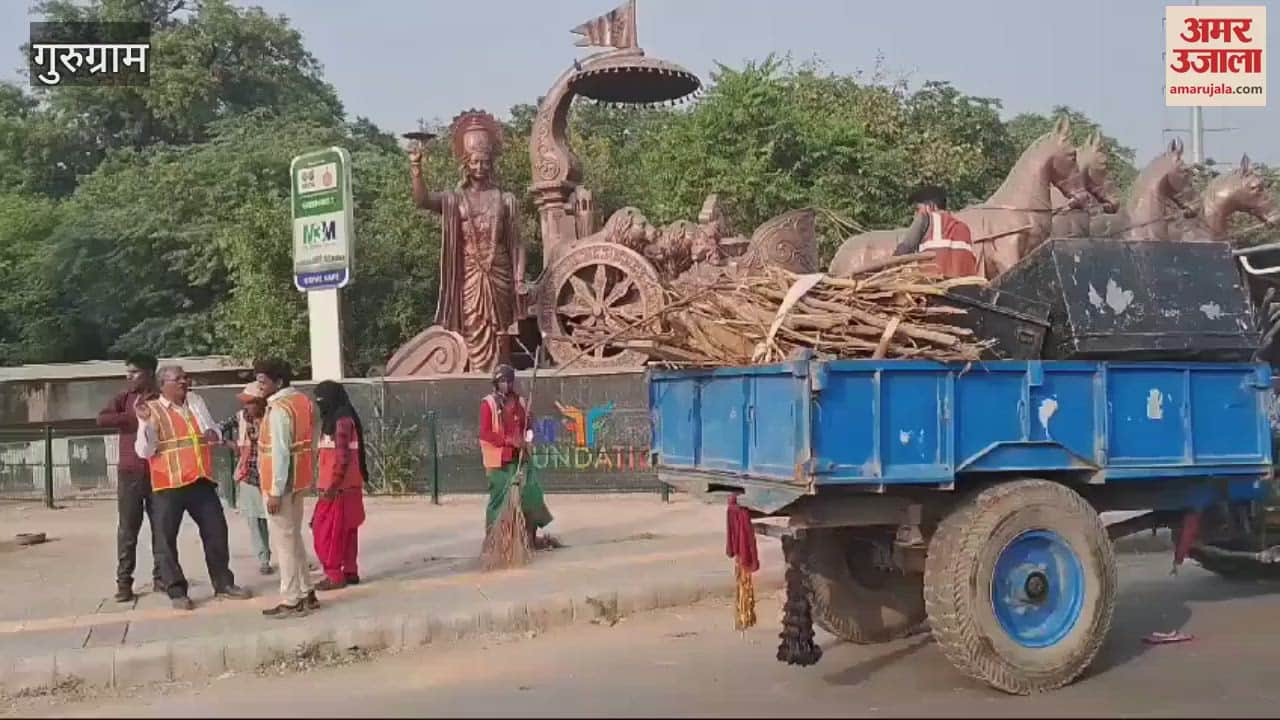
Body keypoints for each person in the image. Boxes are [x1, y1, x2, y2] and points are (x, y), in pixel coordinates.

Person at [409, 110, 528, 373]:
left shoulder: (505, 199)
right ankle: (476, 375)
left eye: (485, 162)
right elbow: (423, 200)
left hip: (499, 272)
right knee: (474, 325)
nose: (480, 167)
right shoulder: (454, 199)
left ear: (491, 163)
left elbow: (518, 245)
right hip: (471, 275)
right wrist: (416, 168)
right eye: (475, 162)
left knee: (501, 329)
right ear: (466, 163)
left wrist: (519, 279)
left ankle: (502, 376)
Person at [134, 365, 253, 610]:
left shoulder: (196, 402)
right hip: (169, 483)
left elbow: (211, 431)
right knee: (165, 539)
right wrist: (146, 424)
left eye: (185, 377)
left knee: (216, 530)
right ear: (163, 385)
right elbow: (144, 451)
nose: (184, 382)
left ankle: (223, 583)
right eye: (178, 379)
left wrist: (215, 433)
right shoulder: (152, 410)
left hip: (200, 479)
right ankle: (176, 590)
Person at [255, 358, 319, 618]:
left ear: (278, 383)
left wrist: (275, 491)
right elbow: (311, 443)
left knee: (284, 543)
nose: (259, 387)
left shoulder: (280, 409)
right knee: (293, 538)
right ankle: (307, 591)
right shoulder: (303, 402)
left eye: (263, 381)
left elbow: (280, 453)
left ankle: (292, 599)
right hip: (300, 479)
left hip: (281, 484)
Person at [97, 353, 163, 603]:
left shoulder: (162, 400)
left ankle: (162, 577)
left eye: (134, 372)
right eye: (127, 372)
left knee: (163, 528)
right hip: (130, 474)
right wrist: (135, 418)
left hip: (159, 472)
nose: (129, 377)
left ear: (148, 373)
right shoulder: (124, 399)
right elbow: (101, 418)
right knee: (127, 530)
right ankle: (124, 582)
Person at [479, 364, 553, 547]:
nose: (506, 384)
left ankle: (530, 537)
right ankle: (494, 540)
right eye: (502, 381)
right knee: (499, 501)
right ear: (496, 383)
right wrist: (508, 440)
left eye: (509, 381)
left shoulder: (520, 402)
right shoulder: (488, 404)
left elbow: (529, 425)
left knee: (531, 495)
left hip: (521, 459)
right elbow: (485, 433)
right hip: (499, 462)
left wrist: (528, 436)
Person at [311, 381, 367, 591]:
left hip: (337, 489)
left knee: (327, 533)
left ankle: (334, 575)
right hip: (351, 485)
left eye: (321, 400)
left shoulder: (339, 422)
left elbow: (342, 458)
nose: (319, 404)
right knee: (348, 531)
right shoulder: (346, 417)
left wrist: (332, 486)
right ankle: (350, 571)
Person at [219, 382, 274, 576]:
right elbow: (218, 429)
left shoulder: (273, 416)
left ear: (261, 402)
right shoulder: (241, 417)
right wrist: (228, 443)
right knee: (254, 520)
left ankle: (287, 555)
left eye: (250, 402)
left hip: (271, 475)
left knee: (274, 520)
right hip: (249, 475)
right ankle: (264, 559)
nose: (246, 406)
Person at [893, 185, 979, 278]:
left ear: (931, 206)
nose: (915, 214)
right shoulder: (963, 227)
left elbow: (904, 250)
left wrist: (885, 267)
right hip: (967, 289)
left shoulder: (926, 218)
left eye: (917, 209)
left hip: (937, 286)